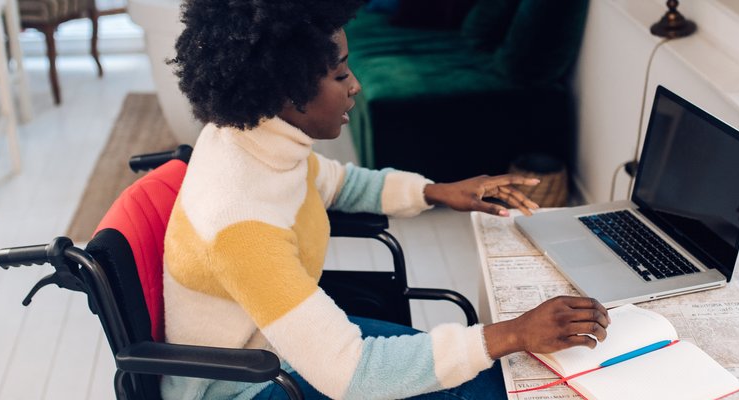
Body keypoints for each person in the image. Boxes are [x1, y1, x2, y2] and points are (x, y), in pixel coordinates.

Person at [162, 1, 611, 399]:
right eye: (340, 73)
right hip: (251, 382)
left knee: (492, 374)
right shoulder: (241, 224)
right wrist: (512, 333)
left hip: (282, 341)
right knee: (500, 385)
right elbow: (353, 373)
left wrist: (436, 191)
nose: (354, 85)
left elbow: (334, 181)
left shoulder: (251, 141)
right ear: (287, 91)